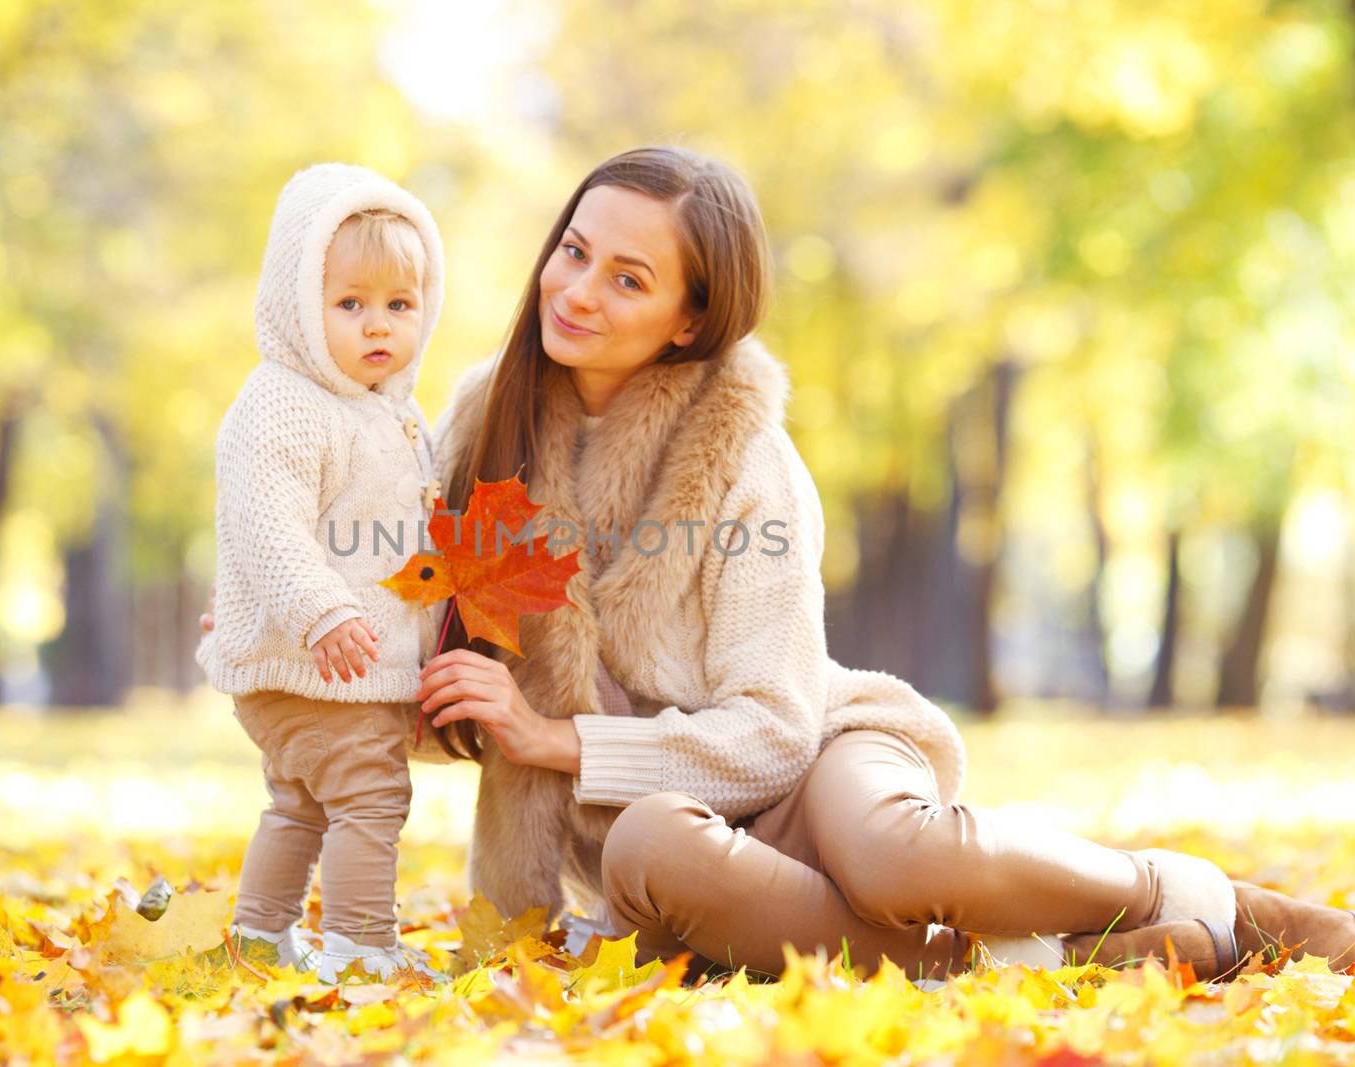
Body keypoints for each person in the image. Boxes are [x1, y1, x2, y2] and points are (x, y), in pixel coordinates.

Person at [207, 147, 1355, 984]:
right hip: (676, 849)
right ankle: (1037, 958)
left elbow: (771, 727)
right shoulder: (470, 426)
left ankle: (1185, 896)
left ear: (691, 321)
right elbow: (395, 586)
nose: (574, 290)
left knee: (899, 855)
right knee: (655, 832)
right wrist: (332, 649)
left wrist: (560, 739)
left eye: (626, 279)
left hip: (812, 765)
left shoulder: (743, 454)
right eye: (574, 250)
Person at [195, 162, 447, 983]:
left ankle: (260, 935)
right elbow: (266, 522)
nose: (378, 326)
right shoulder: (286, 400)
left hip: (334, 663)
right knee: (371, 798)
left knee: (300, 803)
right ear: (300, 304)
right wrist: (317, 609)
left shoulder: (389, 412)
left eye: (399, 306)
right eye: (350, 304)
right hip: (321, 658)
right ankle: (362, 945)